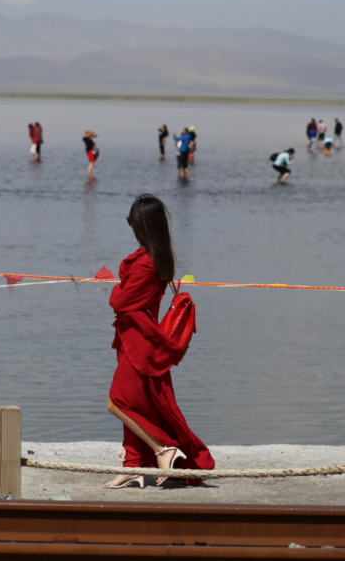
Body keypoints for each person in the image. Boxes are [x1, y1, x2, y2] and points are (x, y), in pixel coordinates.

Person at [103, 194, 214, 489]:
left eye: (131, 222)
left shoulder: (146, 263)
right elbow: (128, 303)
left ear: (142, 226)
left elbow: (121, 302)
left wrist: (117, 291)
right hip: (134, 339)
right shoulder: (156, 256)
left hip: (139, 345)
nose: (130, 227)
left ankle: (163, 449)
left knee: (117, 402)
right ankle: (133, 465)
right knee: (138, 406)